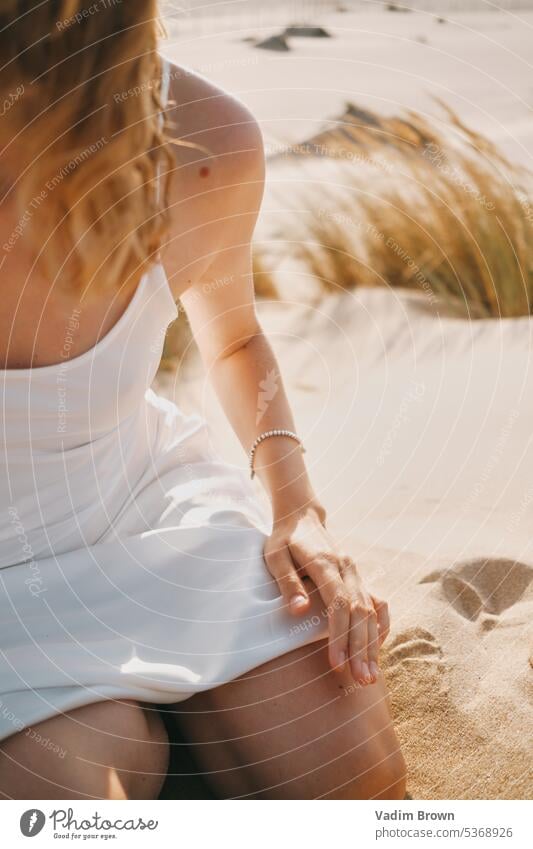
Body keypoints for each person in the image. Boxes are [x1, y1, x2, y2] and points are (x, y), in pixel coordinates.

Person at [0, 2, 406, 800]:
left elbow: (233, 341)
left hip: (142, 511)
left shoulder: (203, 138)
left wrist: (296, 508)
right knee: (69, 804)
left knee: (353, 782)